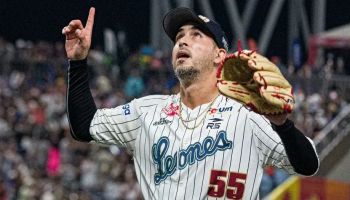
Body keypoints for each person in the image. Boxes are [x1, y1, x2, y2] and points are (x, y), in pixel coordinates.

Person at [62, 7, 319, 200]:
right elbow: (85, 126)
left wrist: (282, 125)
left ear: (220, 55)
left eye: (196, 35)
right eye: (179, 37)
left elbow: (308, 165)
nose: (182, 41)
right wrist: (78, 61)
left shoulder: (248, 116)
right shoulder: (146, 111)